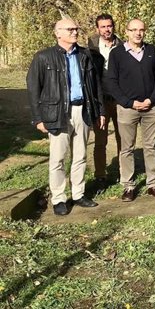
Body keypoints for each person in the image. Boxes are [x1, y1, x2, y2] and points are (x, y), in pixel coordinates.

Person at [27, 18, 104, 215]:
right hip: (58, 112)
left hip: (82, 111)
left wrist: (100, 111)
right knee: (58, 158)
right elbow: (34, 89)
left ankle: (78, 194)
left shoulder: (85, 55)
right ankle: (59, 198)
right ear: (58, 33)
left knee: (80, 156)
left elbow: (95, 86)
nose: (75, 32)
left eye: (76, 29)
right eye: (70, 29)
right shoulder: (43, 57)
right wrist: (38, 118)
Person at [105, 18, 155, 202]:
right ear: (126, 32)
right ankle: (129, 186)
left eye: (141, 30)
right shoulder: (117, 54)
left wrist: (152, 99)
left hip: (150, 107)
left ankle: (153, 184)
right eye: (133, 30)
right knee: (127, 148)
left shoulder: (151, 50)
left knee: (151, 146)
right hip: (127, 109)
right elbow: (112, 82)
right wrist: (129, 102)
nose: (138, 33)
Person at [87, 13, 123, 187]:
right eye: (103, 27)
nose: (107, 29)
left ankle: (125, 172)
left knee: (122, 138)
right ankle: (100, 174)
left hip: (119, 99)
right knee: (100, 140)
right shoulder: (91, 47)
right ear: (97, 29)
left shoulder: (122, 46)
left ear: (113, 26)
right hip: (100, 101)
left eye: (109, 26)